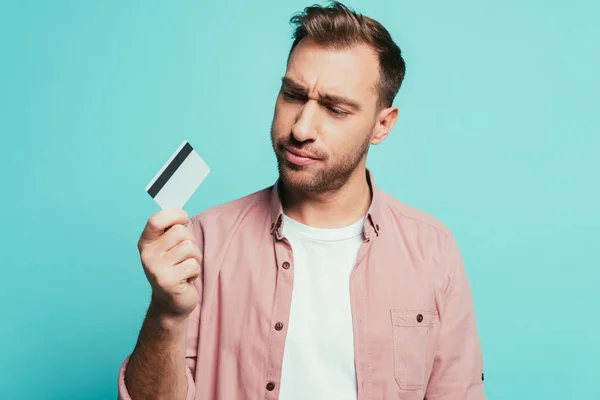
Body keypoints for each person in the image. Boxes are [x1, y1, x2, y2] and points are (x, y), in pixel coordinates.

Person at [118, 2, 486, 399]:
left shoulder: (433, 250)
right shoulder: (204, 239)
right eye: (293, 95)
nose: (301, 127)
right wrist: (166, 315)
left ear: (382, 124)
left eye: (335, 108)